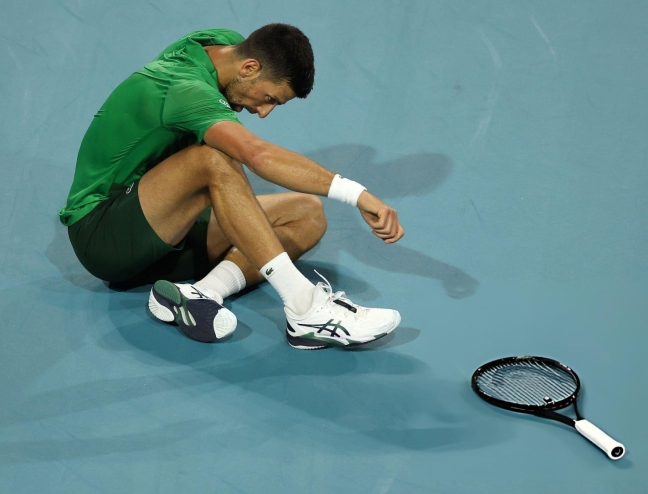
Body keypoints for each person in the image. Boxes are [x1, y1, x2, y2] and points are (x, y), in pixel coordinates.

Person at [59, 24, 404, 350]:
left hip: (167, 229)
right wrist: (357, 194)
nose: (264, 112)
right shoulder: (185, 89)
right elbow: (257, 155)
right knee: (213, 158)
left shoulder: (223, 46)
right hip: (104, 237)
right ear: (250, 68)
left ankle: (203, 293)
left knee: (307, 213)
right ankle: (304, 309)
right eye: (269, 98)